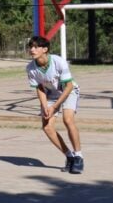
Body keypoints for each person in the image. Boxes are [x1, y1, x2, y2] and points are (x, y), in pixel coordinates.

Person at [25, 35, 84, 173]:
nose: (32, 50)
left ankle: (79, 156)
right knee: (47, 127)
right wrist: (45, 106)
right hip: (51, 94)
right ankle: (69, 156)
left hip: (68, 91)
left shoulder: (58, 62)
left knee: (68, 120)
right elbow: (39, 87)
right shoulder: (30, 68)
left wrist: (55, 106)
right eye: (30, 47)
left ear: (45, 49)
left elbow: (68, 86)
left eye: (35, 47)